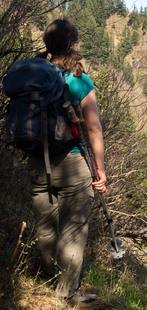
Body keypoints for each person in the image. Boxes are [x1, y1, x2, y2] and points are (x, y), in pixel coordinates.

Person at [27, 18, 106, 306]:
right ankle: (67, 293)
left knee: (45, 226)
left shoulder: (34, 75)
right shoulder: (78, 79)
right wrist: (100, 169)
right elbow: (94, 128)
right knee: (73, 229)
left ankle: (47, 278)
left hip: (36, 161)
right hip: (72, 163)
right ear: (72, 44)